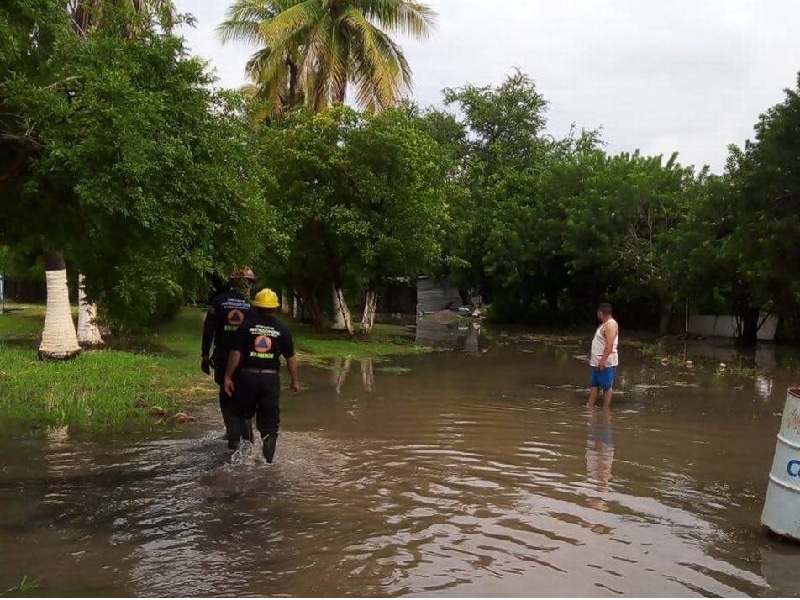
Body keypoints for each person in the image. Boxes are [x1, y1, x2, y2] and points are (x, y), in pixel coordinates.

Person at [223, 288, 299, 463]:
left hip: (247, 378)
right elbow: (291, 358)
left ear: (255, 307)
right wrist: (294, 381)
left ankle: (239, 452)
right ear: (275, 308)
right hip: (270, 380)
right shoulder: (282, 330)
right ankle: (268, 460)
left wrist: (227, 377)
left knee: (239, 413)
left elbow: (236, 354)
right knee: (270, 424)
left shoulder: (245, 327)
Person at [201, 266, 257, 448]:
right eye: (250, 282)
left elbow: (208, 330)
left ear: (232, 281)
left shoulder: (218, 301)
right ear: (247, 284)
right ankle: (248, 440)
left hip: (224, 357)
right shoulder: (252, 306)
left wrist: (204, 355)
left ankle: (231, 434)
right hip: (247, 358)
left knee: (226, 393)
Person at [587, 302, 619, 410]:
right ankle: (590, 406)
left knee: (606, 386)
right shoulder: (604, 324)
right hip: (597, 362)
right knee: (594, 385)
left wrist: (603, 361)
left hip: (606, 362)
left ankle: (606, 409)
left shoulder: (610, 325)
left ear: (601, 313)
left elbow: (609, 346)